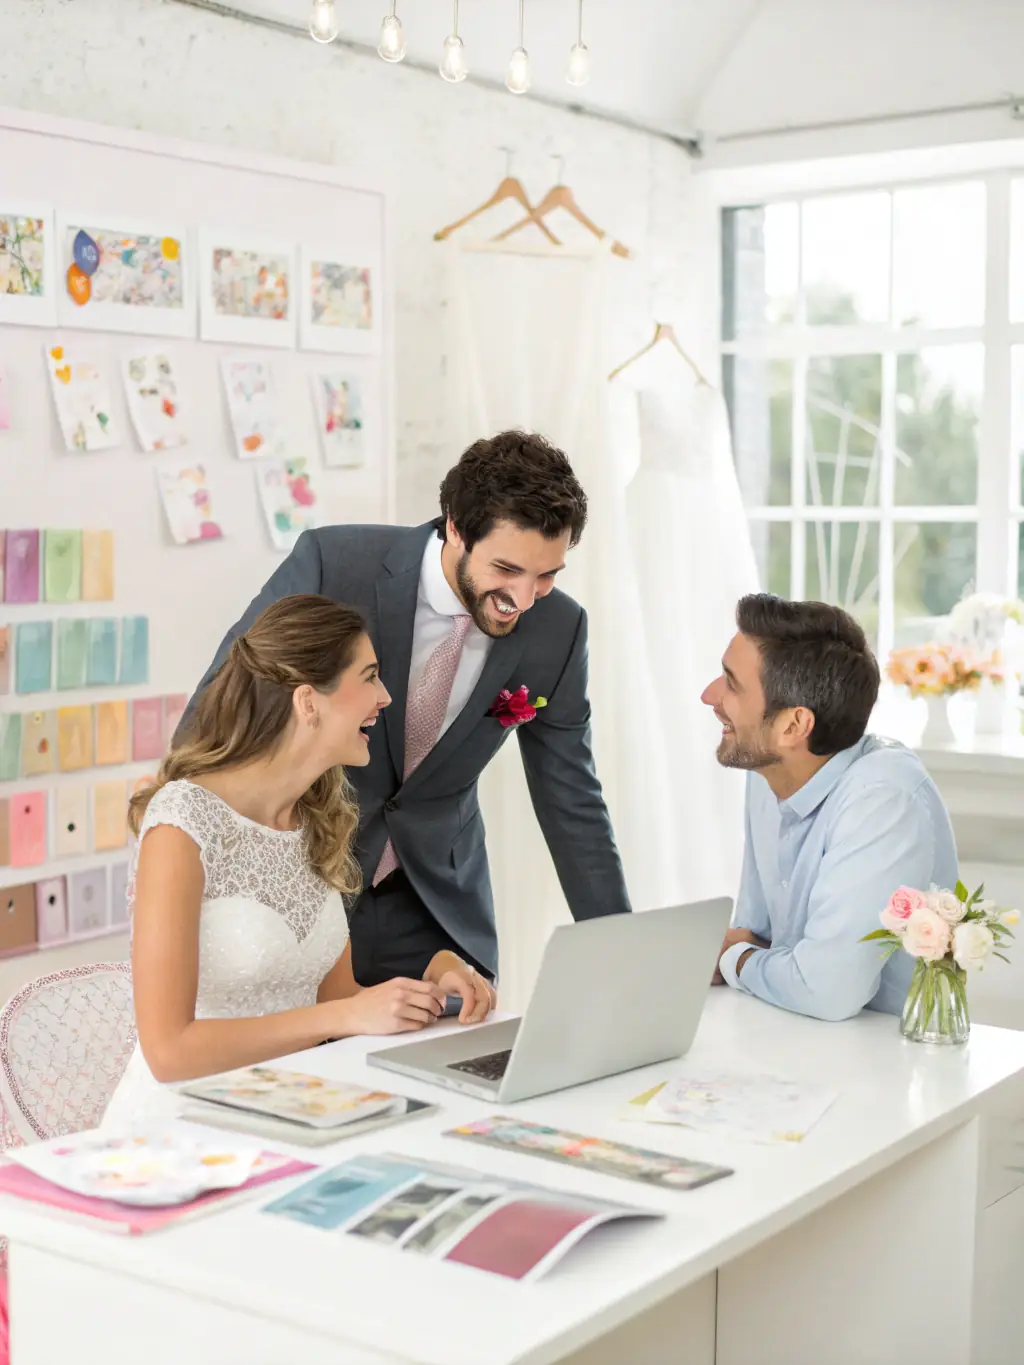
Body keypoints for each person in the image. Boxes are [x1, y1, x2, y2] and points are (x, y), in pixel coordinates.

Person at [178, 431, 631, 989]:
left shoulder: (557, 630)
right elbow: (220, 710)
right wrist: (194, 873)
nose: (526, 596)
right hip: (303, 890)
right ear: (456, 528)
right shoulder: (335, 565)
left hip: (435, 914)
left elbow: (571, 800)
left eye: (547, 575)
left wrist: (621, 954)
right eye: (507, 569)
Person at [103, 596, 494, 1127]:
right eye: (370, 676)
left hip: (293, 1108)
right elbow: (169, 1052)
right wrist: (345, 1013)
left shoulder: (317, 820)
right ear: (308, 702)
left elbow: (338, 1002)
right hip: (185, 1129)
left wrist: (431, 979)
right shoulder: (182, 822)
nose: (384, 697)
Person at [701, 593, 958, 1022]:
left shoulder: (883, 799)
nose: (710, 696)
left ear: (794, 725)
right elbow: (756, 935)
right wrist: (751, 953)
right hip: (792, 1032)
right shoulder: (767, 768)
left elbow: (826, 990)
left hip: (890, 1059)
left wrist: (736, 960)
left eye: (732, 683)